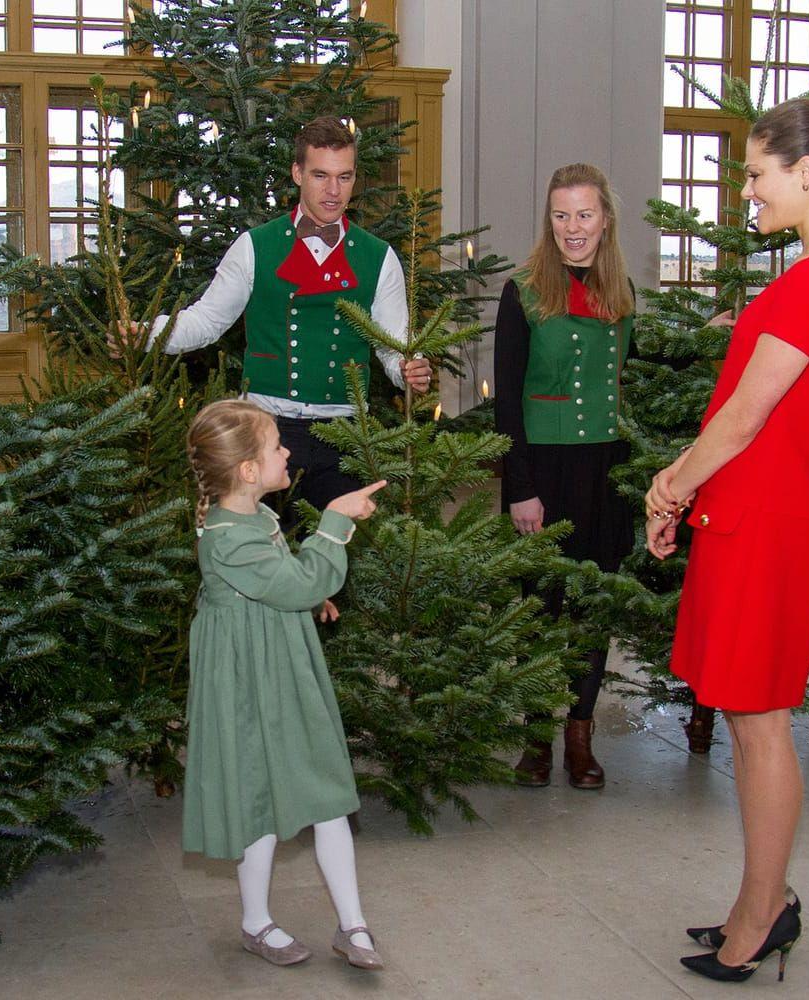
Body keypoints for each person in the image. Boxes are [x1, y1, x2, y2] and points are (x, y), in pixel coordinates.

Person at [645, 98, 809, 983]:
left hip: (766, 528)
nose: (749, 190)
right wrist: (689, 492)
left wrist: (673, 483)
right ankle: (757, 900)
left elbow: (745, 416)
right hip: (752, 519)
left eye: (758, 173)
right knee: (750, 721)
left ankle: (764, 916)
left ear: (808, 174)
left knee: (761, 730)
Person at [182, 399, 387, 969]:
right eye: (277, 446)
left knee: (325, 790)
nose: (288, 451)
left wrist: (306, 587)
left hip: (282, 666)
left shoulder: (253, 518)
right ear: (248, 471)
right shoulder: (226, 536)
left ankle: (354, 924)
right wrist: (336, 521)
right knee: (256, 797)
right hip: (248, 681)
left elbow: (280, 578)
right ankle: (256, 922)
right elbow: (280, 579)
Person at [144, 116, 431, 512]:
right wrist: (144, 333)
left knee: (335, 562)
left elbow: (393, 345)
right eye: (320, 176)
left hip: (345, 434)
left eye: (345, 177)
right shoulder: (254, 247)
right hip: (265, 433)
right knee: (261, 558)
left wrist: (407, 369)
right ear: (297, 173)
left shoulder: (378, 257)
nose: (333, 191)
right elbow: (205, 322)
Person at [493, 163, 635, 789]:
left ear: (605, 218)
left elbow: (638, 362)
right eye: (561, 215)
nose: (573, 228)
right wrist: (520, 486)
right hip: (542, 470)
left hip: (602, 468)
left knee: (590, 605)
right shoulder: (521, 290)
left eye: (584, 215)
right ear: (547, 220)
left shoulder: (622, 290)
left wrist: (708, 337)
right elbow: (505, 404)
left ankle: (580, 730)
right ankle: (533, 732)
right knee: (539, 603)